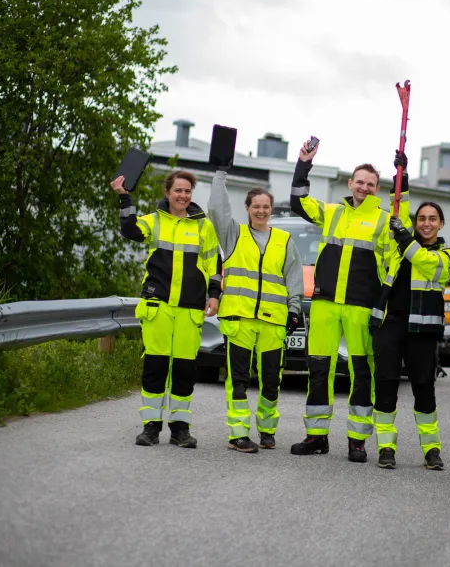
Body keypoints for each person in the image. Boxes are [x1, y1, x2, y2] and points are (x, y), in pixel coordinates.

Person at [288, 142, 410, 463]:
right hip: (326, 303)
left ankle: (357, 441)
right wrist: (304, 165)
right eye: (360, 181)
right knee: (318, 370)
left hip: (361, 306)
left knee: (361, 373)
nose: (365, 187)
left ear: (378, 189)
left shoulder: (384, 220)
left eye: (371, 184)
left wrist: (381, 304)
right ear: (350, 183)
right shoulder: (332, 212)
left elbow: (395, 263)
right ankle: (316, 437)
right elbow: (298, 202)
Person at [112, 170, 222, 449]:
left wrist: (214, 296)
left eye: (187, 191)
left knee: (185, 369)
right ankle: (150, 427)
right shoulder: (154, 220)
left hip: (190, 308)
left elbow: (214, 266)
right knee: (156, 367)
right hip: (157, 305)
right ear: (167, 193)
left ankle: (180, 429)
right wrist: (125, 198)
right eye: (178, 191)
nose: (183, 196)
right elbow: (130, 230)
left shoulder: (203, 227)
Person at [207, 169, 305, 453]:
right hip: (239, 319)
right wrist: (220, 176)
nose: (261, 211)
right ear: (247, 209)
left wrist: (294, 309)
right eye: (256, 206)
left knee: (272, 381)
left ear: (271, 209)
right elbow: (216, 209)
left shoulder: (285, 240)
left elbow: (293, 278)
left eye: (266, 206)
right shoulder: (233, 233)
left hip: (273, 323)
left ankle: (266, 430)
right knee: (238, 381)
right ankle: (238, 434)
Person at [369, 198, 450, 470]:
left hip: (423, 330)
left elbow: (425, 262)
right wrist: (402, 176)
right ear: (415, 222)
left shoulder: (446, 254)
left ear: (441, 224)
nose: (426, 223)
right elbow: (398, 204)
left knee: (423, 389)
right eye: (421, 218)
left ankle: (431, 450)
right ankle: (386, 447)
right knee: (385, 386)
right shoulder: (397, 248)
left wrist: (405, 236)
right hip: (389, 324)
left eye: (432, 219)